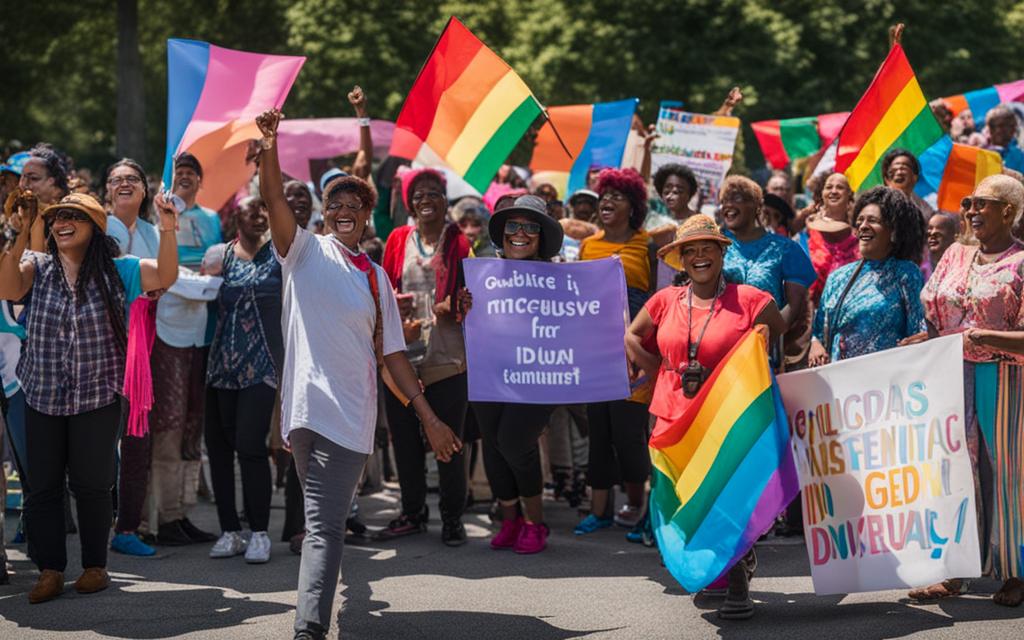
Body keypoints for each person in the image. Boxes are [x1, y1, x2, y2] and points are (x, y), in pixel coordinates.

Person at [256, 108, 460, 640]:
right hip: (306, 410)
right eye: (335, 205)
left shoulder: (375, 280)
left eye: (355, 206)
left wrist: (430, 419)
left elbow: (394, 356)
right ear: (323, 214)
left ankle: (334, 607)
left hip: (356, 416)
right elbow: (275, 198)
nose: (344, 211)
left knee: (326, 521)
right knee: (323, 525)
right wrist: (270, 144)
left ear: (368, 217)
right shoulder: (301, 251)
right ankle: (310, 628)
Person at [0, 191, 178, 603]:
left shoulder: (121, 271)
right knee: (42, 488)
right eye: (58, 217)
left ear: (95, 228)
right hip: (42, 394)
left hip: (98, 396)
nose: (63, 222)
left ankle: (95, 566)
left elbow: (166, 275)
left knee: (93, 486)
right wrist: (23, 230)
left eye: (74, 217)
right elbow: (7, 287)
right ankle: (50, 570)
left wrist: (168, 226)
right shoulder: (37, 266)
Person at [635, 214, 786, 619]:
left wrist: (764, 342)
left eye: (707, 248)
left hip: (726, 416)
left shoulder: (750, 298)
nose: (699, 256)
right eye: (691, 251)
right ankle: (717, 564)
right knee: (684, 497)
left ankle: (737, 575)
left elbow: (780, 326)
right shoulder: (664, 300)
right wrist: (657, 370)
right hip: (670, 415)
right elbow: (632, 335)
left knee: (727, 492)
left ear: (721, 253)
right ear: (681, 259)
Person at [910, 174, 1024, 607]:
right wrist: (932, 342)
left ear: (1008, 211)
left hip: (1006, 378)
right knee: (952, 469)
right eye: (967, 203)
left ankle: (1015, 572)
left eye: (981, 204)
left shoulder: (1021, 263)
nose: (971, 211)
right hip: (951, 374)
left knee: (1009, 474)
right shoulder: (955, 254)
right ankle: (953, 570)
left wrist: (983, 337)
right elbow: (936, 314)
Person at [459, 195, 564, 554]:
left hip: (538, 376)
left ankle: (536, 522)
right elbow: (451, 313)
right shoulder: (482, 274)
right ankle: (510, 520)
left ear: (541, 236)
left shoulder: (559, 278)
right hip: (490, 372)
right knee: (493, 444)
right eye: (512, 226)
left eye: (530, 227)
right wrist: (462, 305)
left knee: (516, 442)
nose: (519, 234)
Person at [377, 168, 472, 546]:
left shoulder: (460, 241)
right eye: (418, 195)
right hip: (402, 351)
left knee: (448, 438)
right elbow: (384, 288)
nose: (425, 199)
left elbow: (470, 293)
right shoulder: (398, 238)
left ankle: (452, 518)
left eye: (433, 193)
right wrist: (397, 312)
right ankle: (412, 512)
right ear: (409, 203)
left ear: (445, 201)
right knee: (404, 437)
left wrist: (456, 306)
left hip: (446, 353)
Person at [575, 168, 654, 535]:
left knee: (629, 434)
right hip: (594, 355)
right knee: (600, 432)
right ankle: (600, 511)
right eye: (604, 196)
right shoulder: (588, 246)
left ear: (634, 206)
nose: (607, 201)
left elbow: (658, 302)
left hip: (634, 357)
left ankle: (638, 508)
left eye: (617, 196)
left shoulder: (648, 245)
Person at [204, 197, 283, 564]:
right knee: (219, 450)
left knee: (251, 445)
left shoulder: (280, 257)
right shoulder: (222, 256)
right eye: (251, 208)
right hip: (221, 365)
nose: (258, 214)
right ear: (235, 214)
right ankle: (229, 531)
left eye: (264, 208)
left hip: (262, 366)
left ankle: (260, 532)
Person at [149, 152, 222, 547]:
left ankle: (182, 512)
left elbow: (217, 262)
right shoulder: (156, 215)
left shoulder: (211, 219)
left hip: (203, 327)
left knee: (194, 422)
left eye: (193, 173)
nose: (187, 178)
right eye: (180, 173)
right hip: (166, 328)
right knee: (169, 421)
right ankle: (159, 515)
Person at [103, 158, 160, 557]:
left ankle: (127, 527)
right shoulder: (94, 227)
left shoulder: (156, 234)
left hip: (144, 347)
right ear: (107, 190)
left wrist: (157, 292)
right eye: (116, 180)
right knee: (98, 441)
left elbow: (167, 276)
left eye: (132, 180)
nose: (124, 185)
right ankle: (95, 520)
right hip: (99, 347)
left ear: (144, 190)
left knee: (137, 438)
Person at [808, 187, 926, 365]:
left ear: (893, 232)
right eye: (860, 220)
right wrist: (815, 345)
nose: (863, 226)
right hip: (842, 383)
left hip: (886, 381)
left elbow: (918, 331)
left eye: (873, 220)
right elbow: (817, 332)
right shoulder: (837, 278)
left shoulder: (905, 273)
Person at [719, 175, 815, 341]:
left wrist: (769, 339)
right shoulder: (715, 244)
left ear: (757, 206)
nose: (728, 205)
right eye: (724, 200)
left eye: (737, 198)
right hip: (719, 342)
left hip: (764, 347)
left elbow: (794, 306)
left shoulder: (785, 248)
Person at [803, 172, 859, 304]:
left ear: (849, 195)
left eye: (840, 187)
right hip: (812, 310)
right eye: (829, 187)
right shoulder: (807, 229)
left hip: (847, 308)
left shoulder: (858, 233)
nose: (833, 191)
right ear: (822, 193)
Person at [18, 144, 71, 252]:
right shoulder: (20, 210)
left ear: (52, 181)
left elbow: (37, 262)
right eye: (22, 176)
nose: (25, 184)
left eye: (34, 178)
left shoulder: (70, 215)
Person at [881, 148, 933, 222]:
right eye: (894, 170)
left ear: (915, 177)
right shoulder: (877, 206)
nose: (899, 173)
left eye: (904, 168)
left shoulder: (925, 211)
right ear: (886, 180)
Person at [983, 104, 1024, 173]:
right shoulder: (981, 154)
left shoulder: (1020, 155)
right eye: (993, 125)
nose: (998, 130)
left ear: (1013, 128)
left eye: (1003, 126)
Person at [924, 211, 958, 279]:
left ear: (953, 236)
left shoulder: (960, 268)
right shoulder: (922, 269)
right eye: (930, 228)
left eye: (939, 228)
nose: (933, 233)